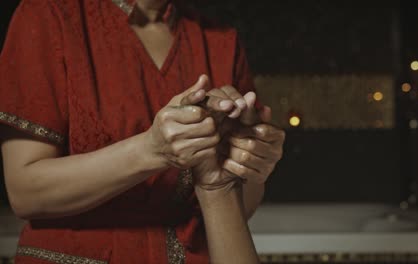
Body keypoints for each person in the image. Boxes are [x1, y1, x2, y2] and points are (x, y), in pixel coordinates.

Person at [0, 0, 285, 263]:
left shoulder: (220, 40)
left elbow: (240, 205)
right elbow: (25, 192)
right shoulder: (50, 14)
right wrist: (149, 151)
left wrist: (245, 163)